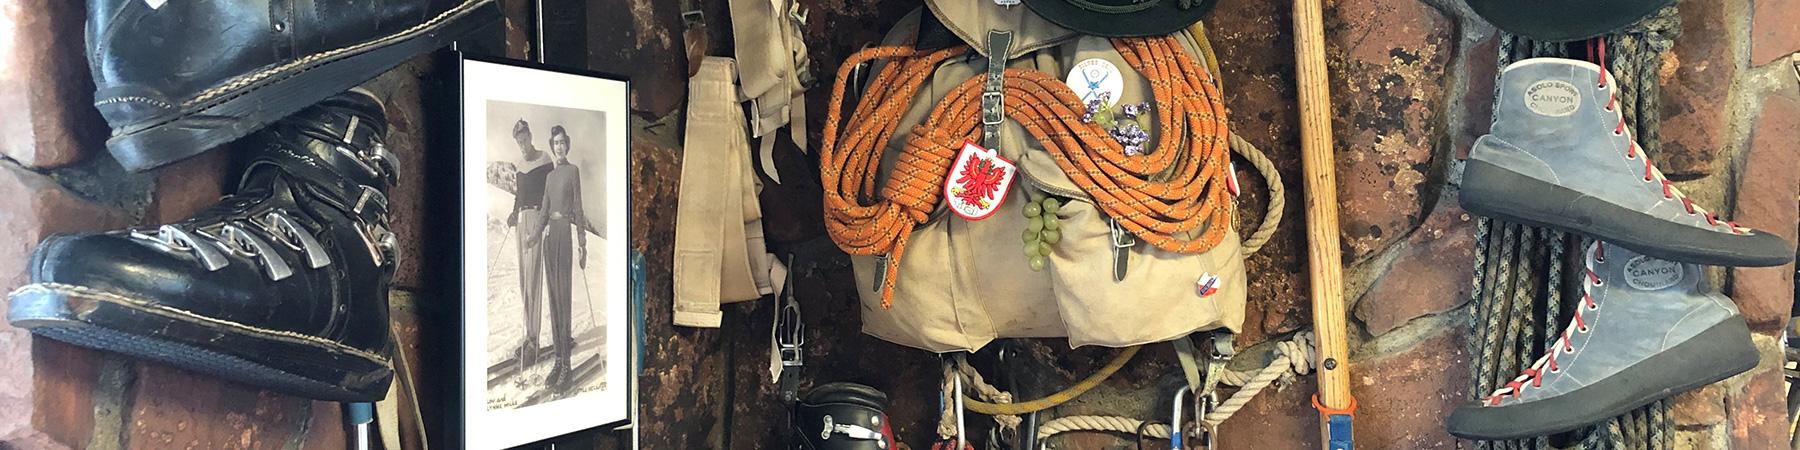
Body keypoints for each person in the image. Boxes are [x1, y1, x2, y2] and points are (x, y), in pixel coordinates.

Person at [538, 125, 597, 390]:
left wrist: (582, 242)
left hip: (564, 234)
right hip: (550, 237)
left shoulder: (572, 172)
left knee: (563, 298)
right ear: (552, 146)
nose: (559, 147)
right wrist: (532, 237)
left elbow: (579, 208)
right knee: (552, 299)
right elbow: (543, 209)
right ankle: (558, 361)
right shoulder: (550, 176)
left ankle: (568, 369)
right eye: (556, 143)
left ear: (567, 145)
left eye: (563, 142)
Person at [506, 119, 554, 368]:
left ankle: (535, 338)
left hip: (537, 217)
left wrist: (544, 222)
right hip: (522, 218)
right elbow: (519, 195)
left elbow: (550, 193)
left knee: (534, 277)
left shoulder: (545, 159)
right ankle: (530, 336)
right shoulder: (520, 165)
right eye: (519, 141)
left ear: (531, 136)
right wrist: (514, 213)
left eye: (525, 139)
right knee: (524, 278)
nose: (523, 145)